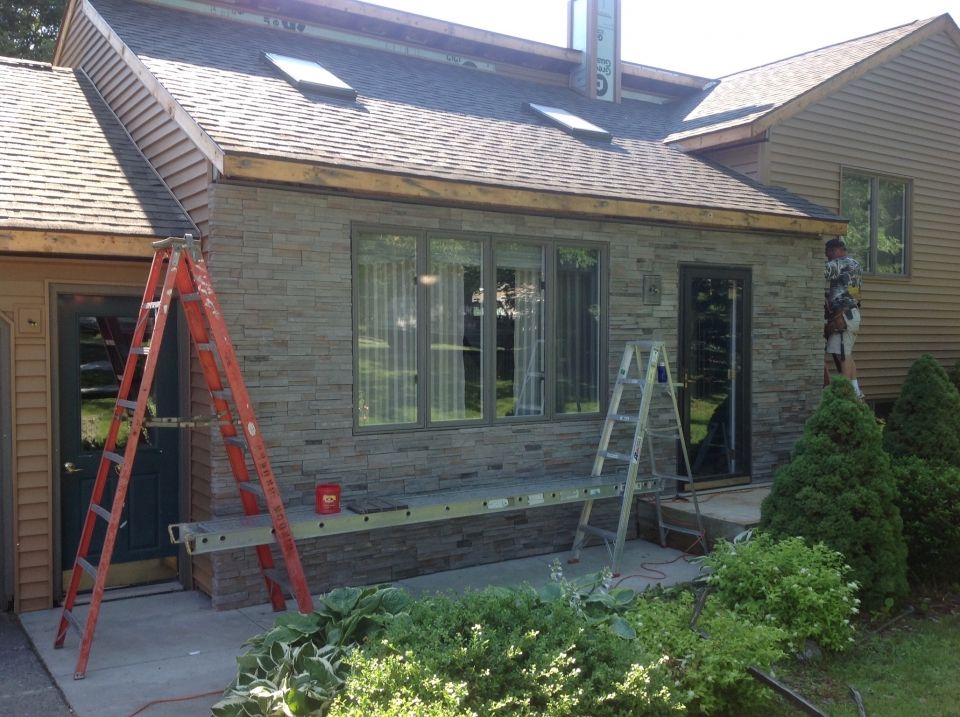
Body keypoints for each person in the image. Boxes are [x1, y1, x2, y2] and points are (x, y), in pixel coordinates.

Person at [823, 238, 864, 398]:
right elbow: (854, 293)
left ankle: (846, 394)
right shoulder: (855, 265)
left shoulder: (840, 263)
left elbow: (816, 270)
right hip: (853, 314)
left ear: (835, 251)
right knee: (846, 353)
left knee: (842, 354)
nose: (828, 259)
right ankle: (855, 391)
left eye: (828, 255)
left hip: (843, 316)